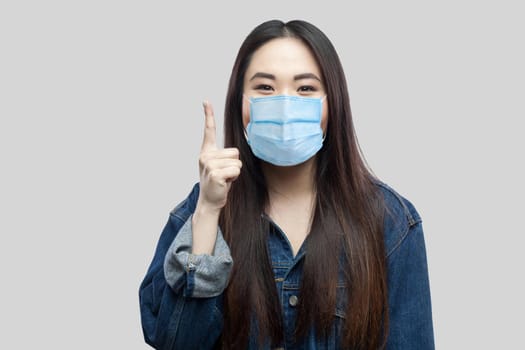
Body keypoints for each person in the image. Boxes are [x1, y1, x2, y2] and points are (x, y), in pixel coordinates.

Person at [139, 19, 434, 349]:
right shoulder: (198, 212)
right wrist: (208, 212)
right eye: (265, 88)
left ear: (332, 103)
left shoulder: (391, 222)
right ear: (240, 103)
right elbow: (175, 342)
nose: (285, 104)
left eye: (305, 89)